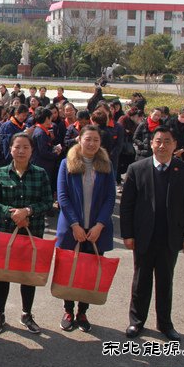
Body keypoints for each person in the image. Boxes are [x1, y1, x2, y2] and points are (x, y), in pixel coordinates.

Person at [120, 126, 184, 342]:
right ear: (151, 143)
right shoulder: (137, 168)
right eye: (158, 141)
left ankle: (165, 324)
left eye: (167, 141)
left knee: (165, 282)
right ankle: (136, 321)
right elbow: (127, 205)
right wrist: (127, 234)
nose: (162, 145)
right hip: (143, 236)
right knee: (141, 281)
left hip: (170, 237)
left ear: (175, 145)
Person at [0, 132, 53, 335]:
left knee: (28, 275)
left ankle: (27, 314)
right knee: (3, 274)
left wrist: (28, 211)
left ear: (32, 150)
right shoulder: (1, 173)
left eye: (26, 147)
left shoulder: (40, 173)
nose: (21, 151)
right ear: (10, 149)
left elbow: (47, 202)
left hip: (33, 231)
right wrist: (12, 213)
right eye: (17, 147)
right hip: (6, 233)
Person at [56, 126, 115, 332]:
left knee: (89, 272)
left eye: (96, 140)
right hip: (72, 228)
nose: (91, 143)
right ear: (79, 139)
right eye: (88, 139)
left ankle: (82, 311)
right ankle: (68, 310)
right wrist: (74, 225)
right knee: (69, 270)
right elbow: (62, 196)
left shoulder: (106, 165)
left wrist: (99, 225)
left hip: (96, 230)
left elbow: (110, 198)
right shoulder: (67, 163)